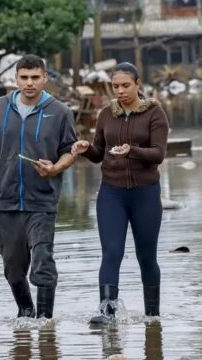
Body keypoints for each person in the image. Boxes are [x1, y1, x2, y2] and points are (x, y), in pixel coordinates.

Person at [0, 54, 78, 319]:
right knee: (12, 268)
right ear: (16, 79)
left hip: (42, 201)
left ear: (45, 78)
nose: (30, 83)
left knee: (43, 262)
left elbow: (70, 150)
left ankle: (45, 322)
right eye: (24, 78)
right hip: (6, 201)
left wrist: (56, 168)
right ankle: (25, 311)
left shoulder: (60, 112)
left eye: (35, 77)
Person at [71, 62, 169, 325]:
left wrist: (132, 150)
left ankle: (152, 316)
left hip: (145, 194)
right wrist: (85, 148)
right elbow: (98, 153)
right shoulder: (106, 114)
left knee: (146, 256)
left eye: (126, 85)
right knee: (111, 252)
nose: (120, 91)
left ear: (138, 84)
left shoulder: (155, 113)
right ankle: (107, 311)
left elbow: (158, 154)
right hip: (111, 194)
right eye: (115, 86)